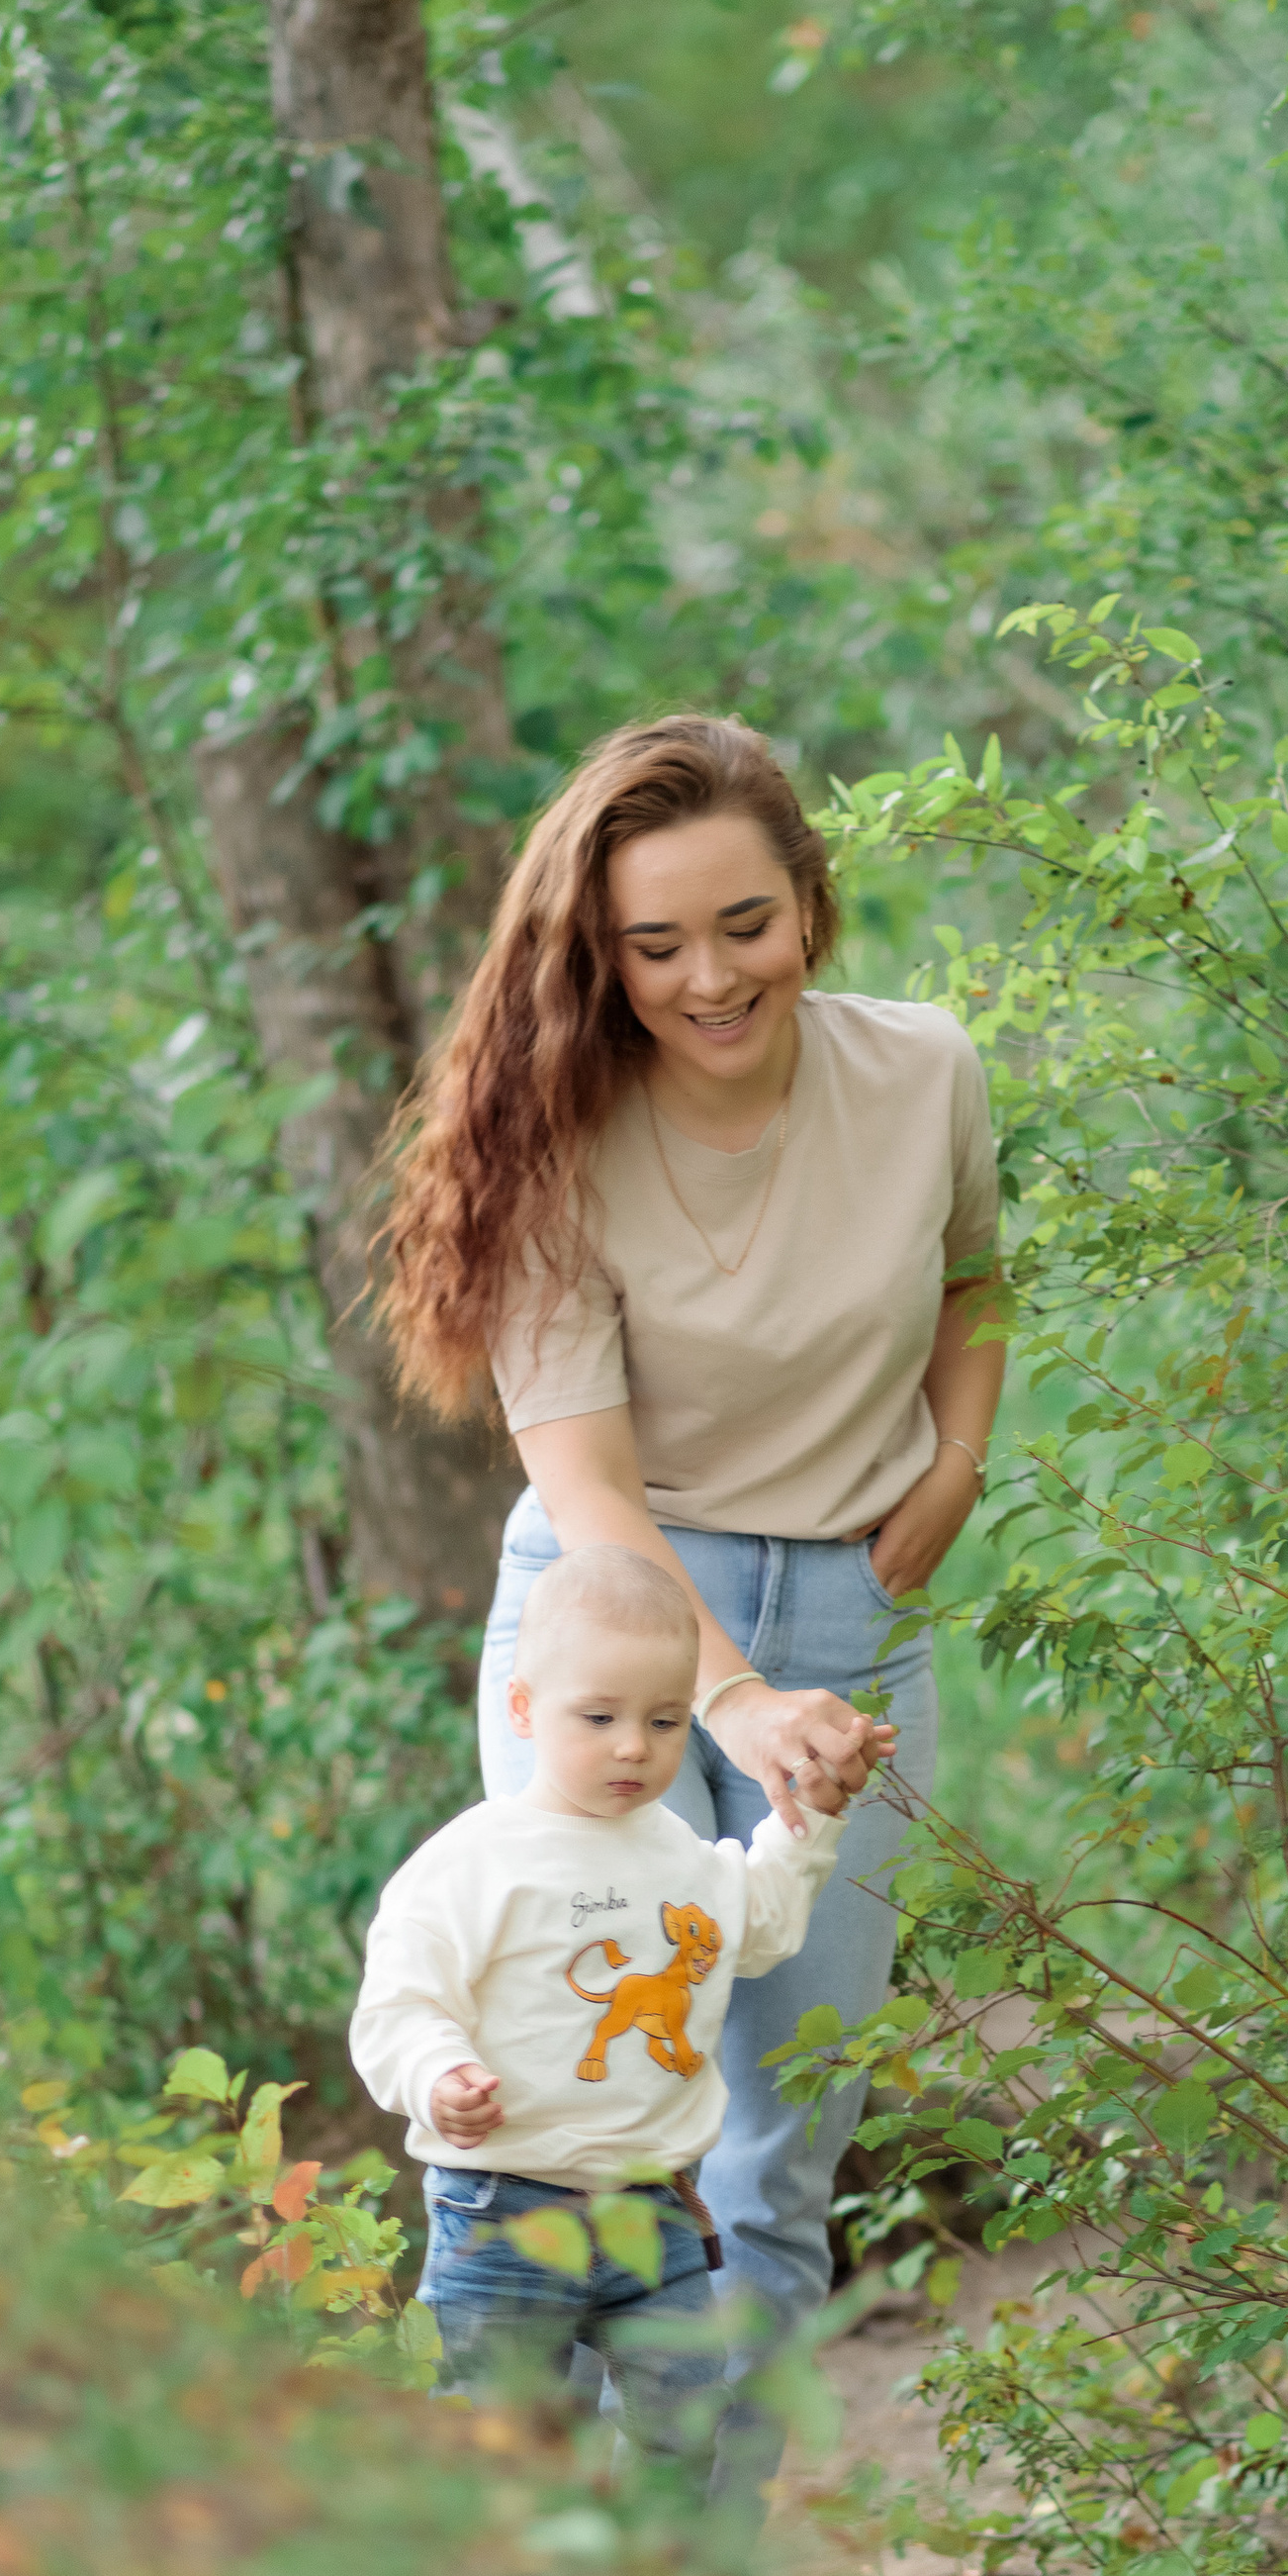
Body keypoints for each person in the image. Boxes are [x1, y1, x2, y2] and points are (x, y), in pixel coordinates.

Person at [379, 714, 1004, 2481]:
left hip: (857, 1613)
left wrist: (955, 1462)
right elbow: (588, 1493)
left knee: (777, 2157)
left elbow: (980, 1276)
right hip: (605, 1630)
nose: (708, 976)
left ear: (809, 901)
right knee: (569, 2134)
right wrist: (724, 1699)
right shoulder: (552, 1128)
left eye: (745, 924)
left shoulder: (926, 1071)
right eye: (656, 946)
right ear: (602, 954)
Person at [348, 1544, 847, 2473]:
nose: (634, 1746)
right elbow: (401, 2003)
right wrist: (435, 2075)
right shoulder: (475, 1861)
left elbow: (764, 1923)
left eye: (665, 1721)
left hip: (650, 2207)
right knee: (498, 2443)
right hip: (503, 2206)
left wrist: (807, 1822)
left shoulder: (683, 1855)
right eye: (600, 1717)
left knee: (678, 2431)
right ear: (524, 1709)